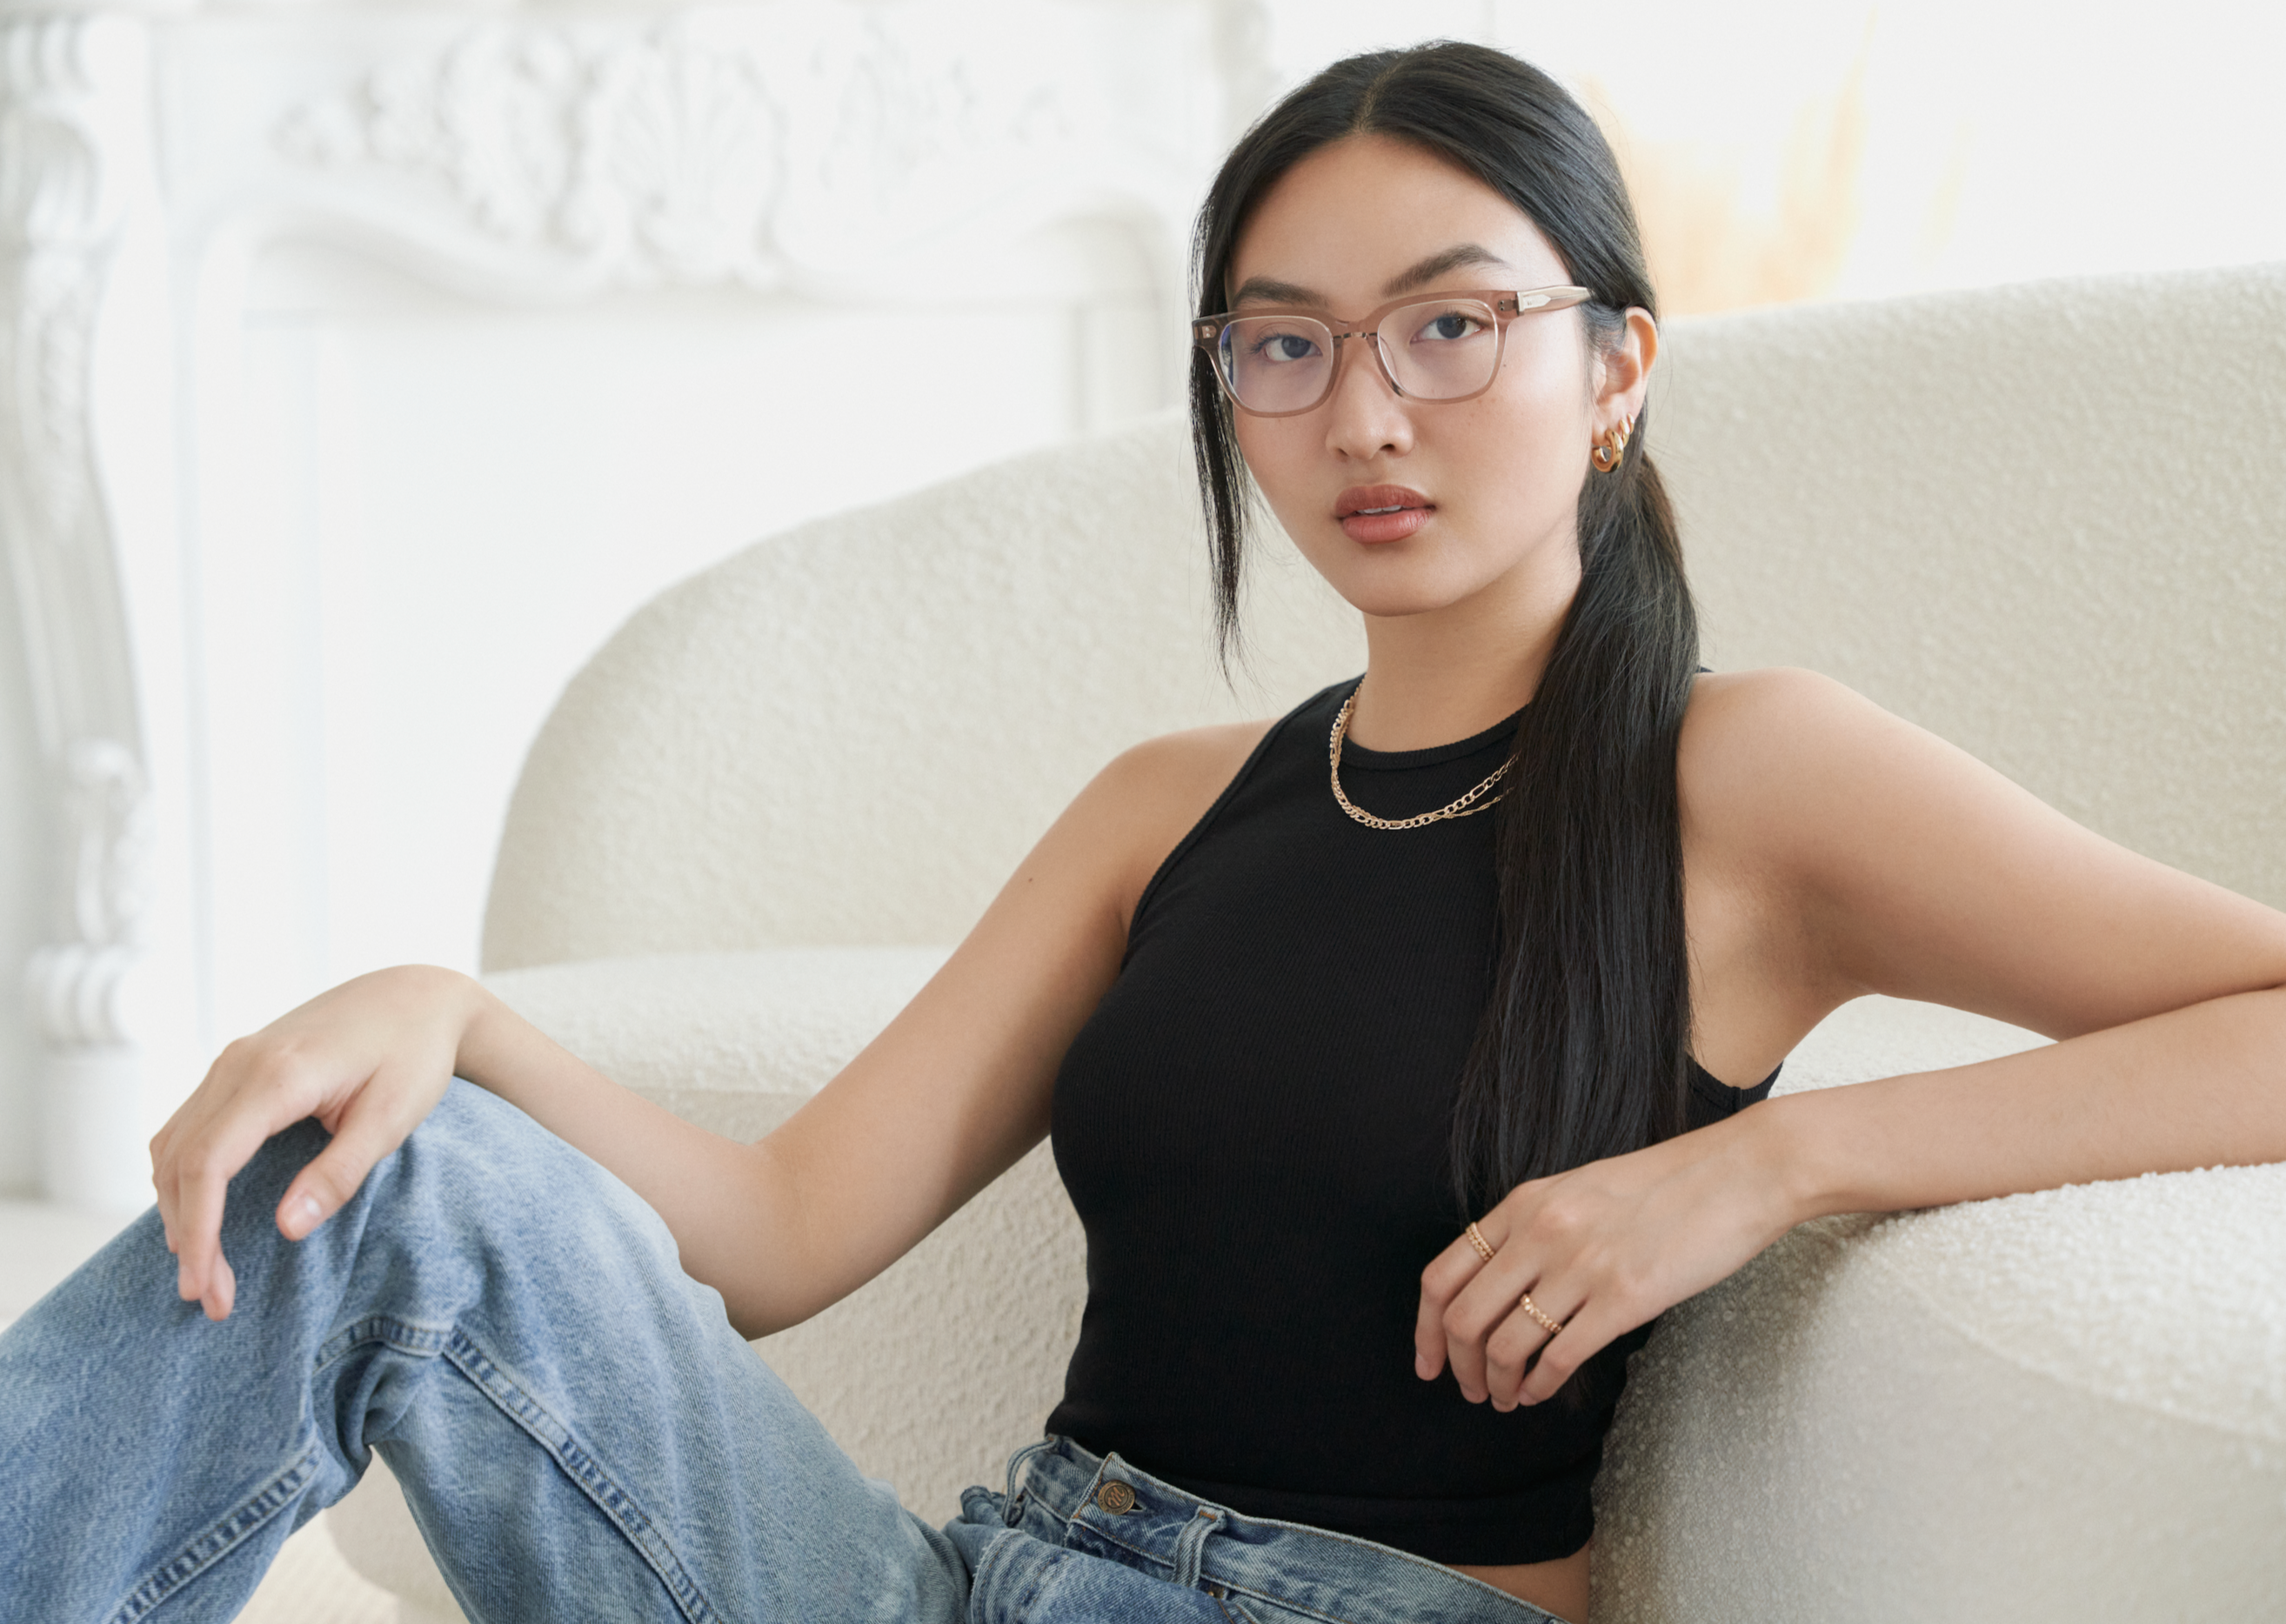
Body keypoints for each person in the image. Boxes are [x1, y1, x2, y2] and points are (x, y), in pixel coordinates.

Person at [5, 38, 2284, 1624]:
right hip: (969, 1579)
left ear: (1614, 365)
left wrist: (1767, 1160)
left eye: (1450, 326)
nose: (1362, 411)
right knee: (382, 1181)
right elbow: (781, 1230)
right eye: (1280, 345)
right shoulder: (1158, 812)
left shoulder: (1742, 770)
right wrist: (458, 1022)